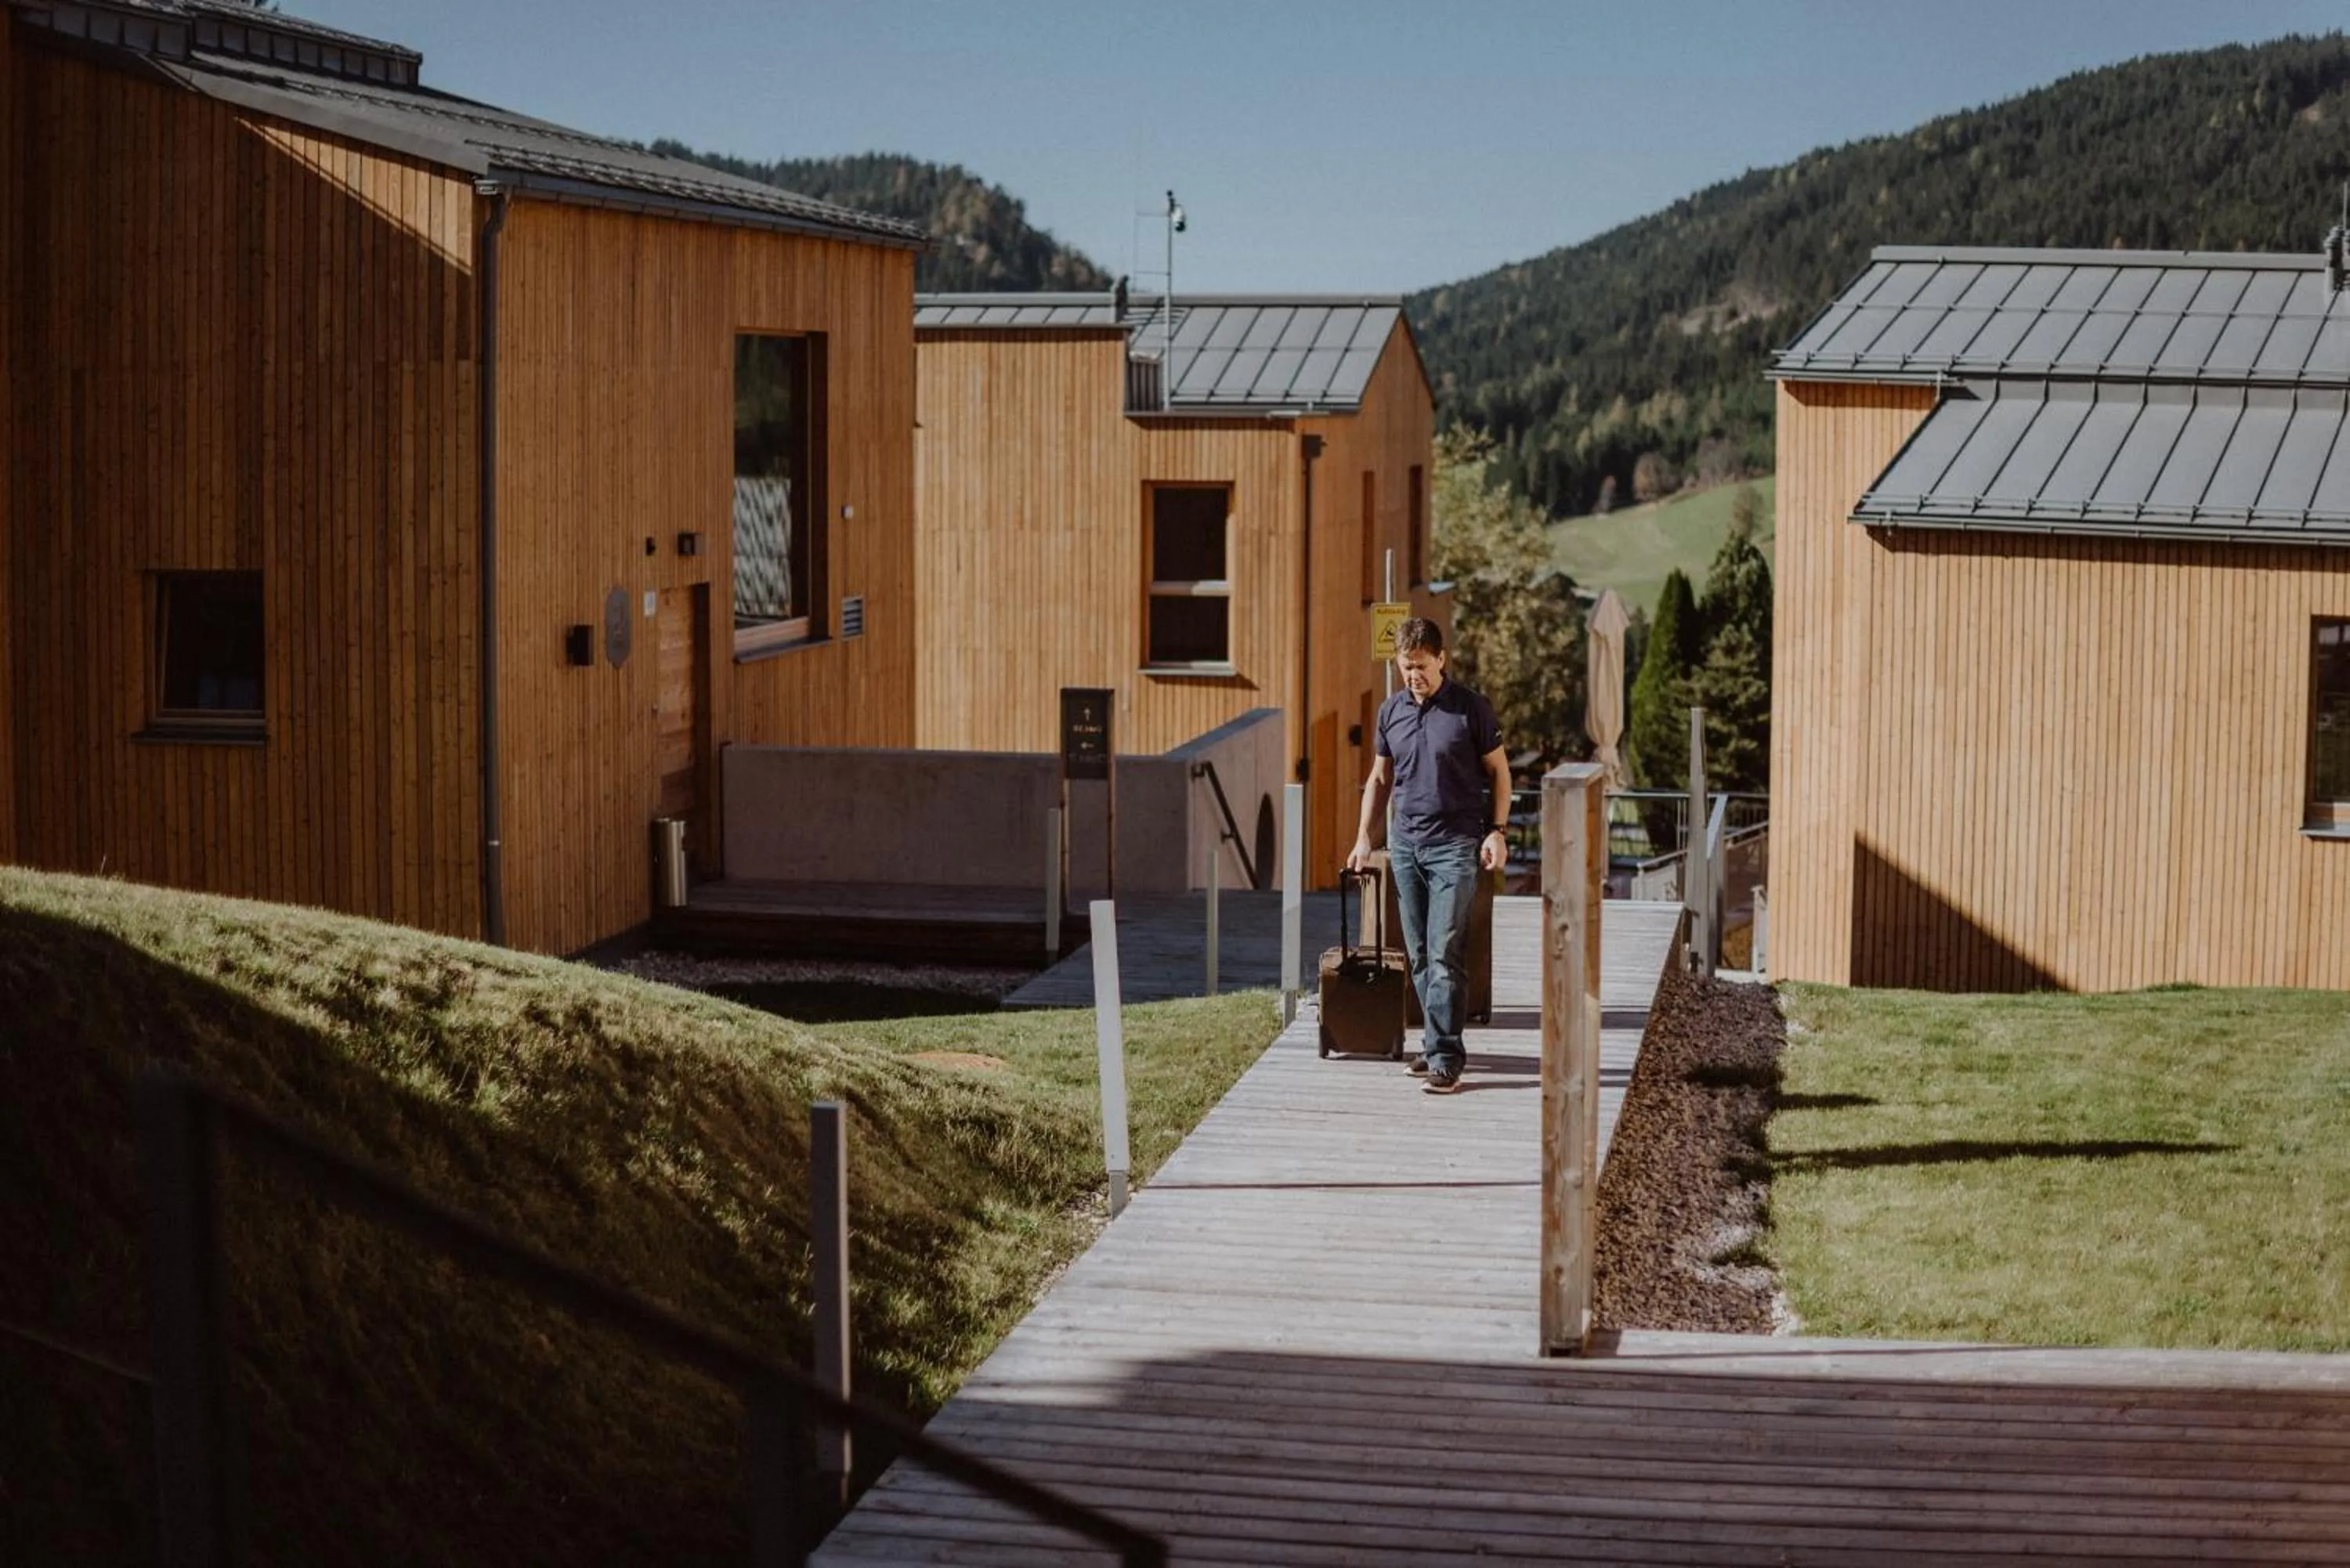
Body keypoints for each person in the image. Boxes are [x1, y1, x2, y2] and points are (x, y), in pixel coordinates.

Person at [1346, 619, 1510, 1094]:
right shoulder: (1390, 711)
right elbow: (1380, 779)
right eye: (1406, 667)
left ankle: (1445, 1058)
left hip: (1455, 847)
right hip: (1405, 847)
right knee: (1418, 954)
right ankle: (1436, 1043)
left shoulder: (1470, 709)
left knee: (1444, 953)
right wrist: (1363, 838)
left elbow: (1500, 772)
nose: (1414, 675)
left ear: (1441, 659)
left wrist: (1497, 832)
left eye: (1421, 666)